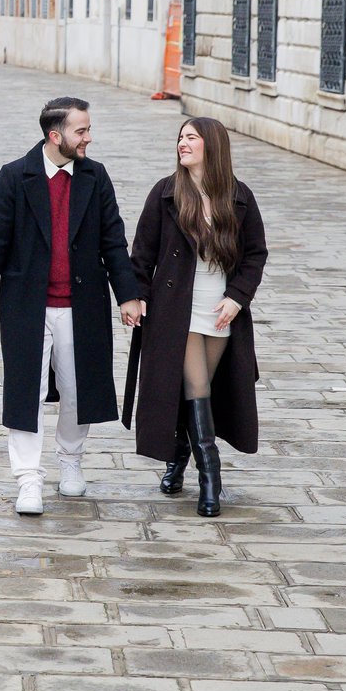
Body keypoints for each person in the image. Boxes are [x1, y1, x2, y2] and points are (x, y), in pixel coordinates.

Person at [0, 97, 144, 516]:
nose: (88, 138)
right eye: (81, 131)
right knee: (24, 389)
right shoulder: (14, 177)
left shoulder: (95, 177)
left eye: (87, 129)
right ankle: (28, 480)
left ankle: (70, 462)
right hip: (27, 304)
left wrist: (128, 295)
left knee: (77, 390)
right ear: (55, 135)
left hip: (81, 304)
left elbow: (113, 242)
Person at [121, 117, 268, 518]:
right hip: (175, 312)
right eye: (180, 138)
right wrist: (134, 297)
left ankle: (179, 456)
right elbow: (142, 253)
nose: (182, 144)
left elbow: (255, 254)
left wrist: (238, 298)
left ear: (212, 146)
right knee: (196, 385)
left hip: (220, 311)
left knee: (195, 392)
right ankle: (210, 476)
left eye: (191, 138)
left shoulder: (239, 197)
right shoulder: (166, 193)